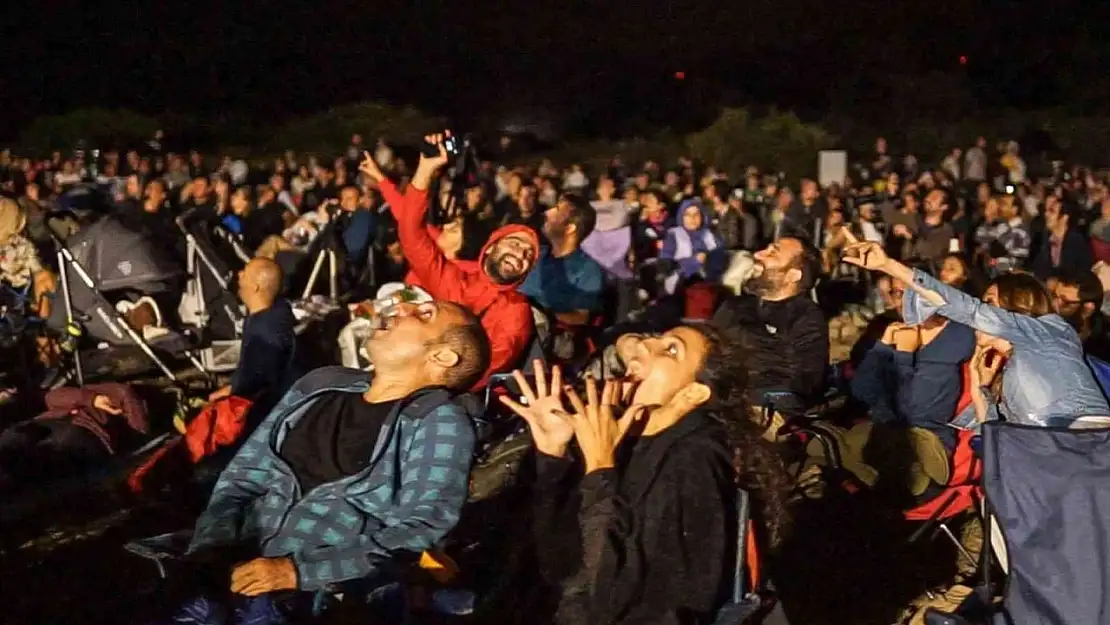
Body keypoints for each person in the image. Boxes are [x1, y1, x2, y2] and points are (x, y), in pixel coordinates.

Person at [173, 298, 490, 623]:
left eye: (424, 314)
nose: (401, 308)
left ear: (442, 356)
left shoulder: (438, 420)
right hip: (235, 557)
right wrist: (211, 547)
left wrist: (297, 572)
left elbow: (423, 525)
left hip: (322, 592)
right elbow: (242, 476)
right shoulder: (321, 384)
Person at [500, 325, 791, 625]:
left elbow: (609, 599)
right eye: (654, 338)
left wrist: (600, 471)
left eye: (671, 349)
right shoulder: (623, 439)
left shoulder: (694, 461)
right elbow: (558, 568)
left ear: (693, 392)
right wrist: (553, 457)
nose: (644, 345)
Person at [842, 232, 1110, 429]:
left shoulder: (1049, 330)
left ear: (1015, 305)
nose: (983, 312)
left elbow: (967, 309)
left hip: (1083, 442)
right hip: (1043, 460)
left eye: (990, 303)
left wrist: (889, 266)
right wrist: (981, 389)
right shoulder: (1003, 364)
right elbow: (990, 437)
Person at [360, 135, 539, 387]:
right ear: (488, 250)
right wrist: (424, 170)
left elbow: (490, 367)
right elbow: (410, 229)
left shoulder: (515, 309)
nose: (521, 253)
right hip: (410, 367)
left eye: (528, 255)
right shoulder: (453, 279)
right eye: (514, 243)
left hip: (448, 395)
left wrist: (426, 389)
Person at [713, 236, 828, 418]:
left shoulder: (805, 316)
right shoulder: (733, 306)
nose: (758, 254)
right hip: (716, 401)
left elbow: (806, 381)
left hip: (763, 411)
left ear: (792, 275)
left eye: (773, 253)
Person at [207, 258, 297, 418]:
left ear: (256, 287)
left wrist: (229, 393)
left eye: (245, 273)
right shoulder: (274, 313)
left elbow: (255, 383)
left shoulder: (264, 333)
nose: (239, 274)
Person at [519, 191, 605, 327]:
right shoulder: (536, 252)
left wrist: (538, 314)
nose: (547, 213)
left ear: (570, 228)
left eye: (557, 210)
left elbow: (581, 318)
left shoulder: (587, 269)